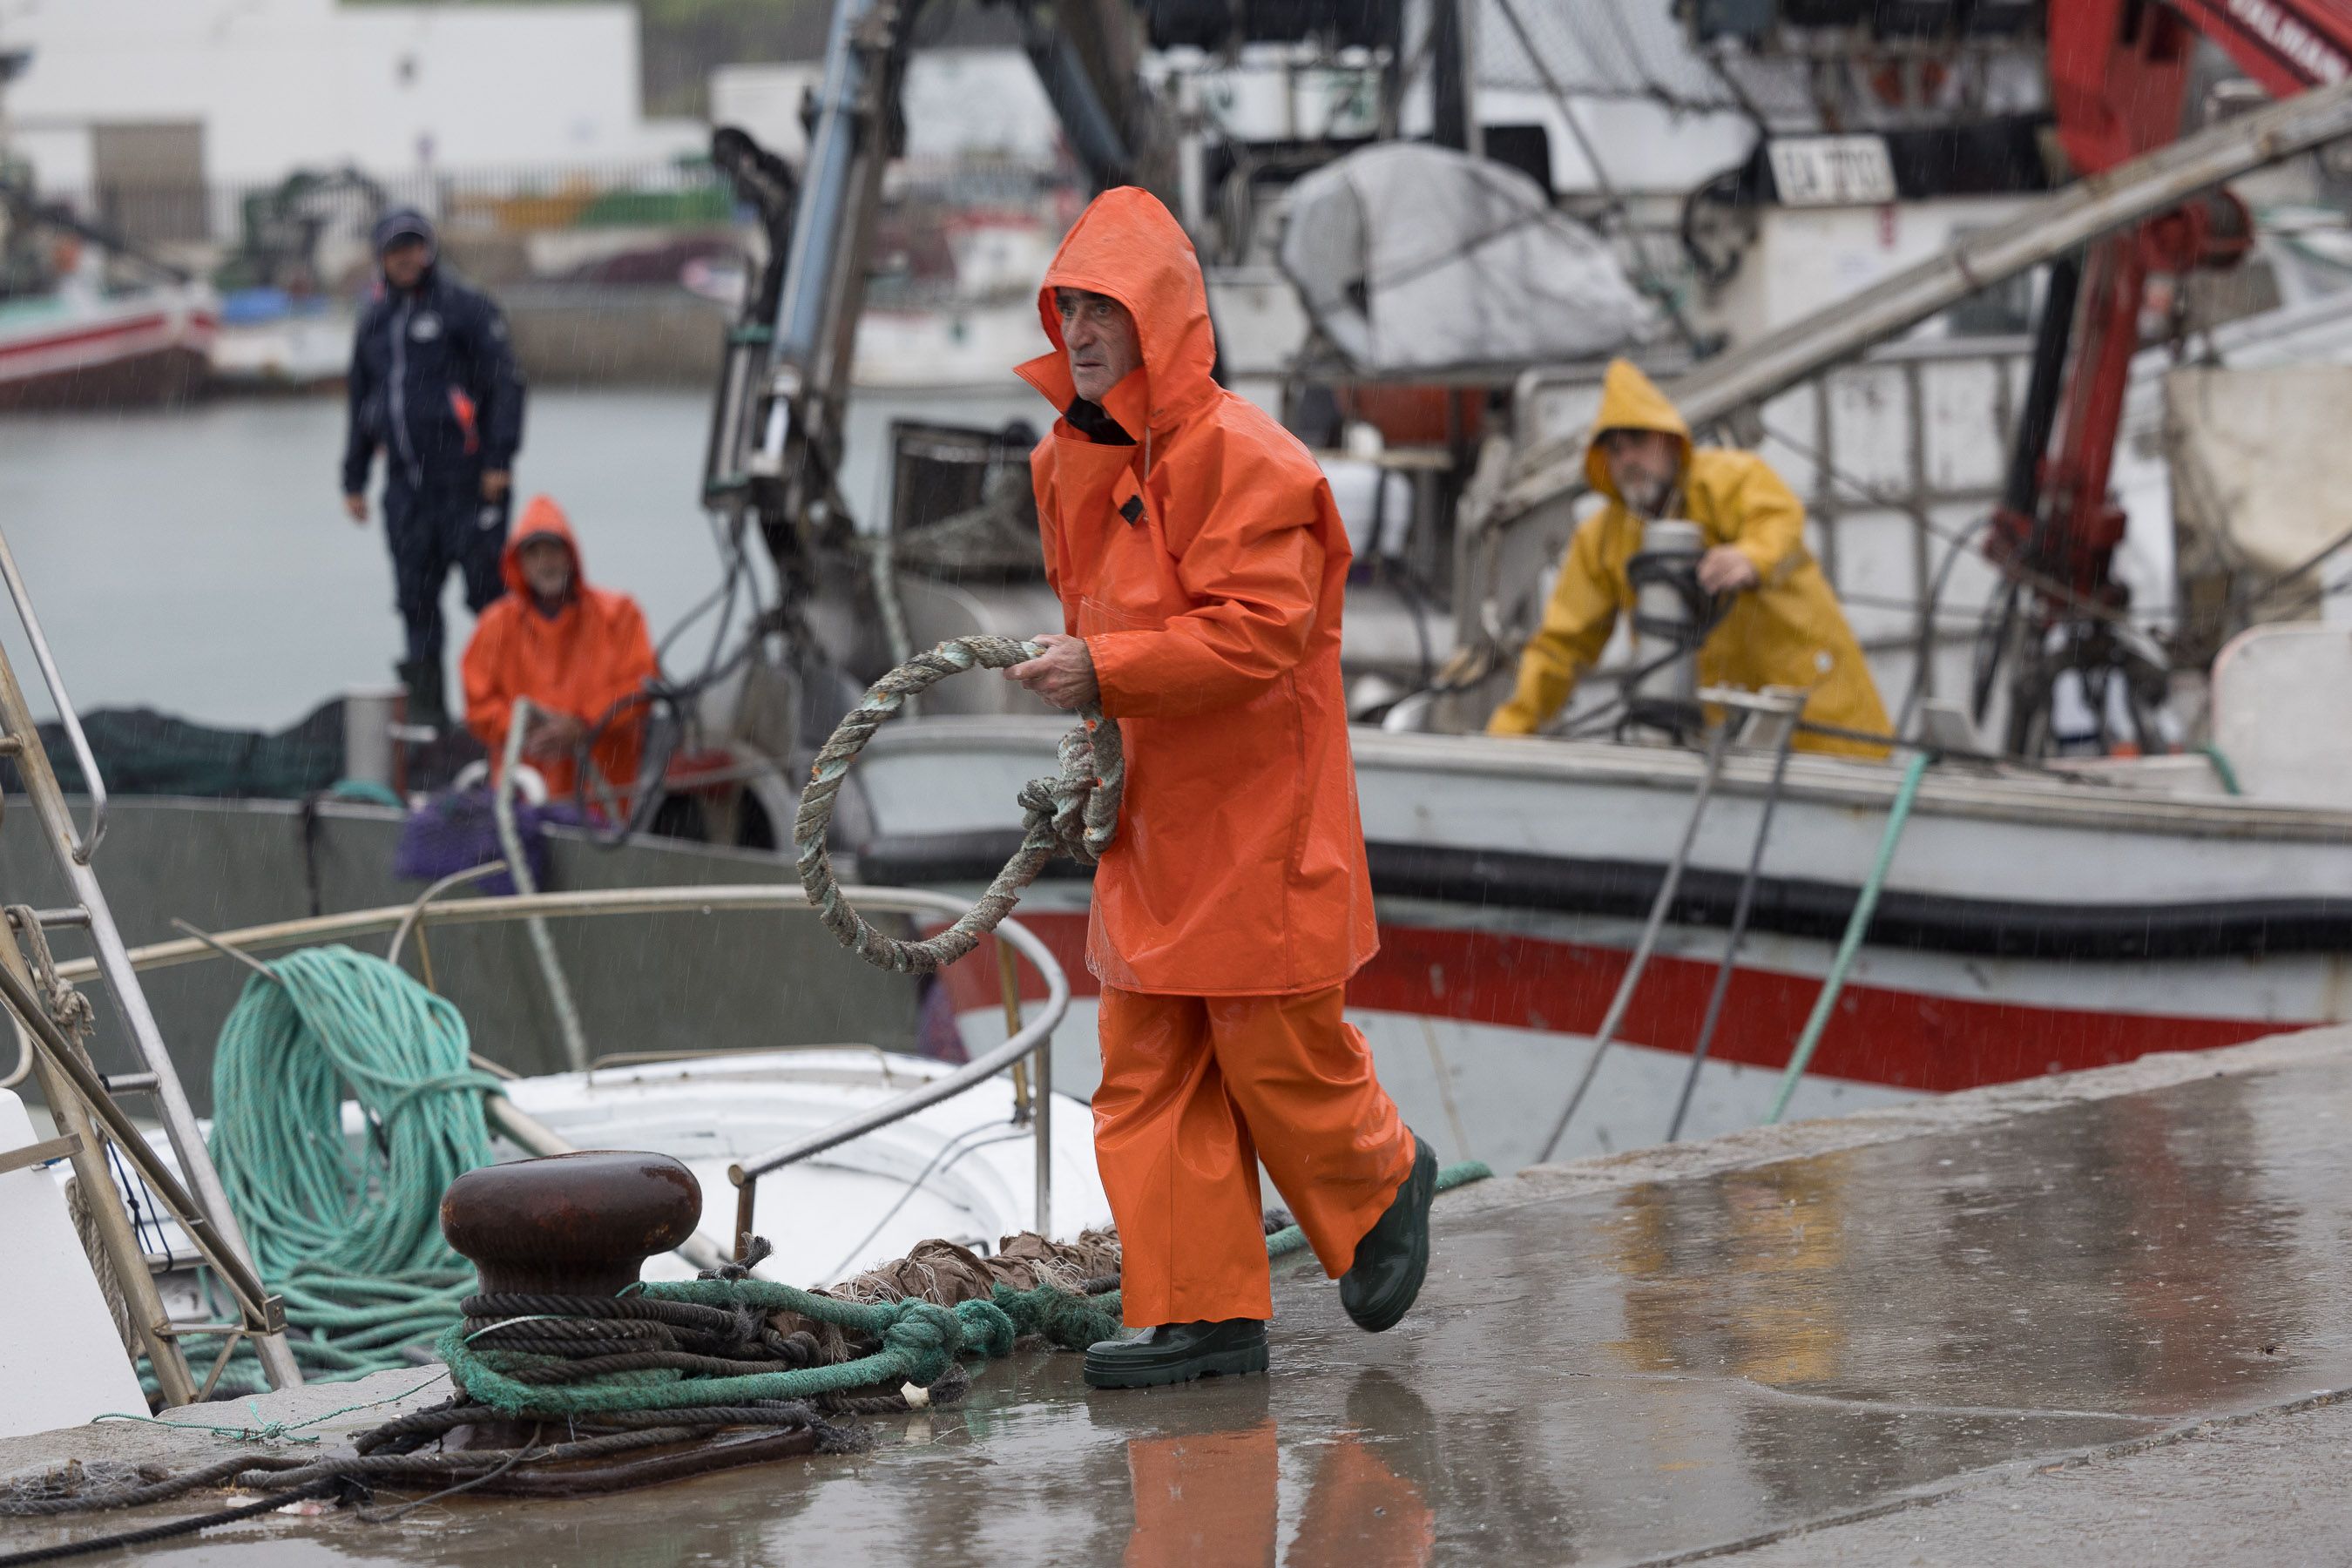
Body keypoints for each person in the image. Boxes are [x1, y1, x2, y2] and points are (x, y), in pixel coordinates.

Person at [1003, 186, 1436, 1391]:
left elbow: (1260, 634)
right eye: (1070, 306)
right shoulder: (1067, 461)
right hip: (1151, 814)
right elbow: (1102, 611)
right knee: (1150, 1061)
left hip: (1255, 817)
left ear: (1166, 319)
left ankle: (1389, 1180)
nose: (1083, 330)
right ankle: (1201, 1315)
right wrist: (1096, 687)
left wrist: (1101, 669)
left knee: (1275, 1048)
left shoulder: (1251, 457)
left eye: (1107, 307)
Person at [1487, 357, 1890, 757]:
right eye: (1615, 449)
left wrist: (1751, 558)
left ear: (1668, 438)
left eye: (1638, 441)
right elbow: (1563, 645)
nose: (1628, 460)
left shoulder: (1728, 479)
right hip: (1723, 746)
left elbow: (1777, 522)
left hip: (1823, 726)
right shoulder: (1603, 539)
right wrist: (1509, 733)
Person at [341, 207, 527, 733]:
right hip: (406, 492)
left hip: (469, 484)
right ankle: (430, 726)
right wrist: (353, 480)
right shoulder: (374, 322)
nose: (405, 257)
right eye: (395, 249)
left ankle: (508, 714)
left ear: (428, 250)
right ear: (381, 257)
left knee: (489, 601)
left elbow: (505, 386)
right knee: (416, 606)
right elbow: (361, 402)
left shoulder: (467, 308)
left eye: (413, 246)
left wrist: (499, 460)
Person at [461, 496, 656, 808]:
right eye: (533, 552)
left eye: (552, 549)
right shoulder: (494, 626)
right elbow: (478, 708)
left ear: (571, 555)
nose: (545, 561)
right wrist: (524, 726)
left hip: (603, 806)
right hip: (522, 806)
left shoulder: (620, 615)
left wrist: (583, 724)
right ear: (518, 563)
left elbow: (641, 687)